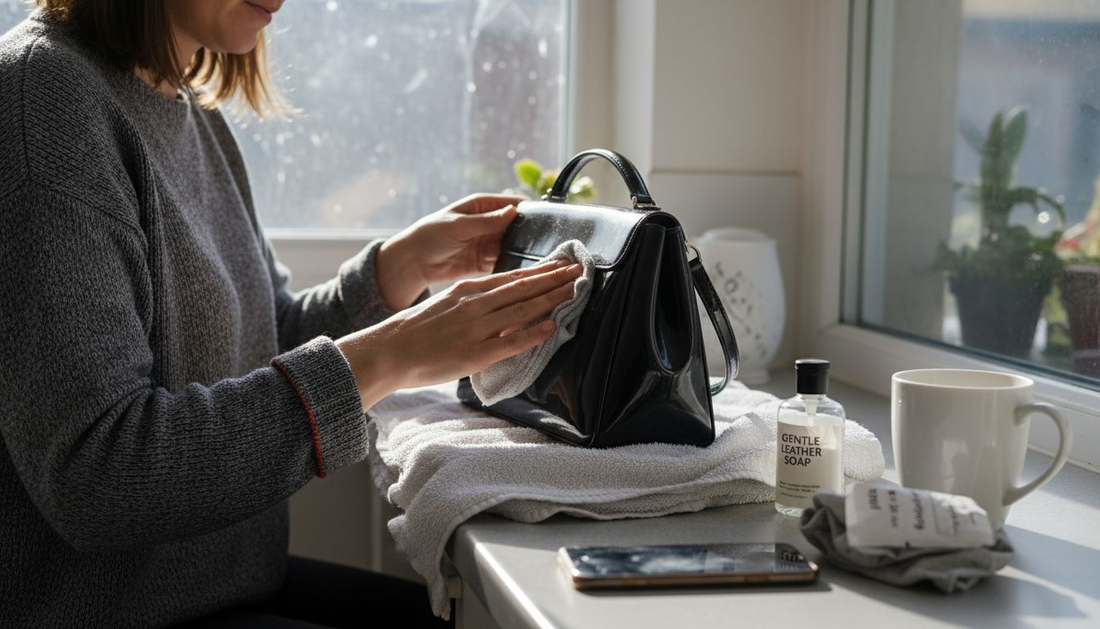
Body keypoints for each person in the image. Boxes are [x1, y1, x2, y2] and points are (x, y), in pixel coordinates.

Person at [0, 1, 581, 627]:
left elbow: (259, 343)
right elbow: (97, 479)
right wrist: (391, 355)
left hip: (227, 584)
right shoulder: (42, 102)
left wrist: (397, 271)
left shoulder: (188, 105)